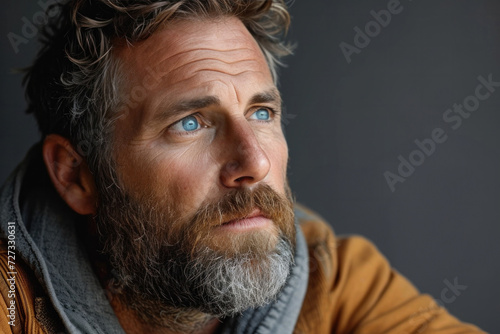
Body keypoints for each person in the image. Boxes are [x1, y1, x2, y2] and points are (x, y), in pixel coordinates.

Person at [0, 1, 486, 333]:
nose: (253, 162)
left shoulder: (333, 275)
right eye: (190, 122)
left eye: (261, 113)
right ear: (75, 176)